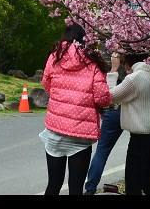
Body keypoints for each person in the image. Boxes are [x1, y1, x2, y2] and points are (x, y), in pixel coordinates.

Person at [39, 23, 113, 196]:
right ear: (84, 39)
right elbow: (102, 98)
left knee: (53, 185)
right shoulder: (93, 62)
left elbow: (46, 83)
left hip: (56, 131)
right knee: (75, 188)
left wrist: (60, 98)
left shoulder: (55, 57)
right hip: (80, 135)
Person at [110, 52, 150, 195]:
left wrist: (113, 71)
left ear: (129, 61)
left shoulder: (134, 78)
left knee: (133, 185)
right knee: (148, 182)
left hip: (140, 138)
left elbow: (110, 96)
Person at [83, 53, 126, 195]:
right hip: (134, 112)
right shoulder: (136, 67)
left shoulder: (106, 68)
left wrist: (113, 69)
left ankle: (90, 188)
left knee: (102, 151)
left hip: (113, 112)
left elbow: (106, 94)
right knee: (145, 150)